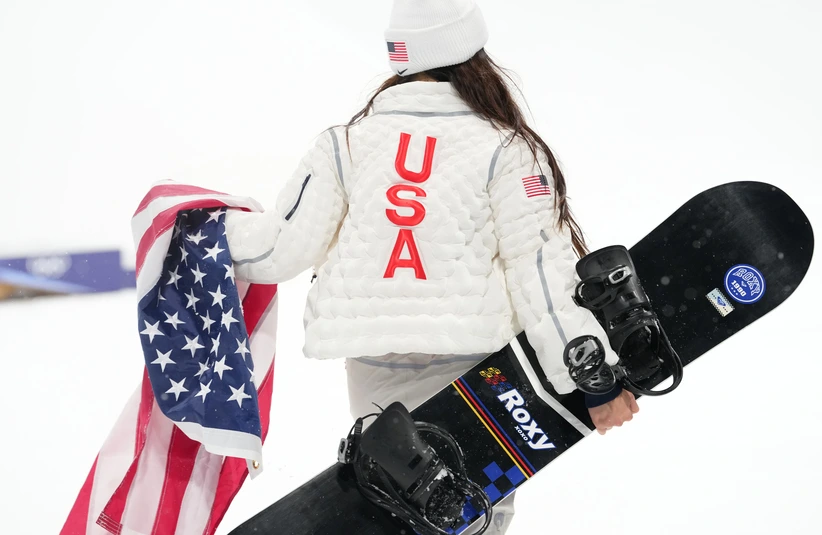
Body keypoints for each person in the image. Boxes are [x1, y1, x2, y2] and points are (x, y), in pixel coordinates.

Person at [224, 0, 639, 532]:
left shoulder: (347, 144)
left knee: (408, 498)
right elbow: (540, 270)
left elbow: (274, 250)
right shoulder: (507, 148)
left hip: (372, 366)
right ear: (472, 51)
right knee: (475, 501)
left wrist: (200, 230)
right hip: (470, 363)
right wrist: (590, 375)